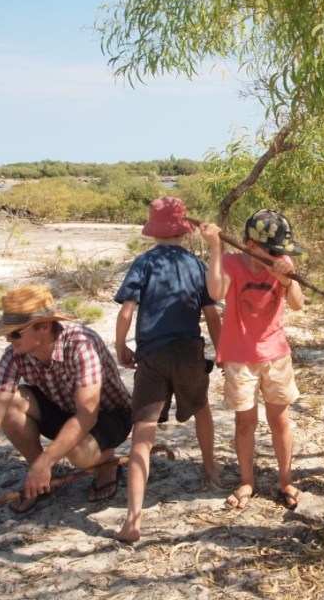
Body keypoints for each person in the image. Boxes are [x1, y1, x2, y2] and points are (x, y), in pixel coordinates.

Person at [0, 285, 133, 515]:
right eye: (7, 333)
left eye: (15, 333)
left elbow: (87, 415)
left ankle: (106, 464)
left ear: (43, 326)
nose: (8, 340)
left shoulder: (81, 343)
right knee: (10, 404)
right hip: (63, 411)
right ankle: (41, 477)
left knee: (79, 453)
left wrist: (47, 459)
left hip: (109, 415)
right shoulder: (14, 355)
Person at [113, 196, 223, 543]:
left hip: (152, 353)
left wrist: (120, 345)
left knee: (143, 430)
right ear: (184, 230)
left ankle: (133, 517)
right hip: (189, 350)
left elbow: (127, 311)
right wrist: (221, 349)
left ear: (154, 231)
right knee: (201, 407)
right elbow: (211, 314)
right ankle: (210, 468)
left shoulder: (144, 263)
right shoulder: (195, 264)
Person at [199, 210, 305, 510]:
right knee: (245, 423)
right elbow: (216, 290)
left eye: (281, 251)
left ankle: (286, 479)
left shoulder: (283, 263)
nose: (278, 256)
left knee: (280, 421)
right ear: (250, 245)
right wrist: (215, 247)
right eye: (272, 251)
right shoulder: (231, 263)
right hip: (239, 357)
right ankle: (247, 479)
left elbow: (297, 304)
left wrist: (286, 280)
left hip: (276, 355)